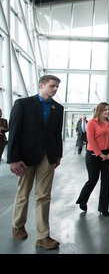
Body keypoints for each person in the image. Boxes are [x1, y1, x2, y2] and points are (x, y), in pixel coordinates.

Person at [8, 75, 63, 250]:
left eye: (57, 87)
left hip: (48, 156)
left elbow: (56, 134)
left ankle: (43, 236)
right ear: (41, 85)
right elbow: (14, 131)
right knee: (23, 193)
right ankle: (18, 226)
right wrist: (13, 158)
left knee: (43, 196)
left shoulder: (58, 108)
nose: (55, 89)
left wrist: (58, 155)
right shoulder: (23, 104)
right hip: (25, 157)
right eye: (52, 86)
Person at [76, 102, 109, 217]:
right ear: (99, 111)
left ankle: (103, 208)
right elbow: (90, 140)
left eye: (108, 109)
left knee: (106, 181)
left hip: (107, 154)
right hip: (93, 154)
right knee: (93, 179)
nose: (108, 112)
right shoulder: (92, 123)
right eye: (105, 110)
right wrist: (99, 154)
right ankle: (82, 200)